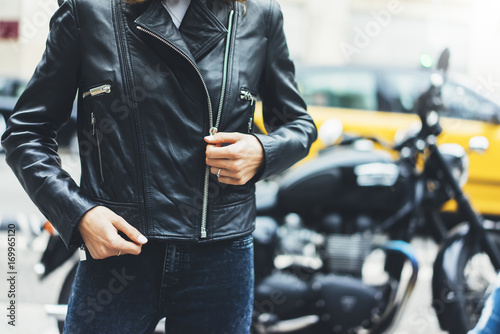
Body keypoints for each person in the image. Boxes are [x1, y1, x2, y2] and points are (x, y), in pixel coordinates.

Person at [1, 0, 317, 333]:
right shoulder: (89, 11)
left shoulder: (259, 15)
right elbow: (26, 132)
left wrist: (262, 151)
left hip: (220, 260)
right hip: (119, 254)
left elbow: (298, 125)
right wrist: (79, 214)